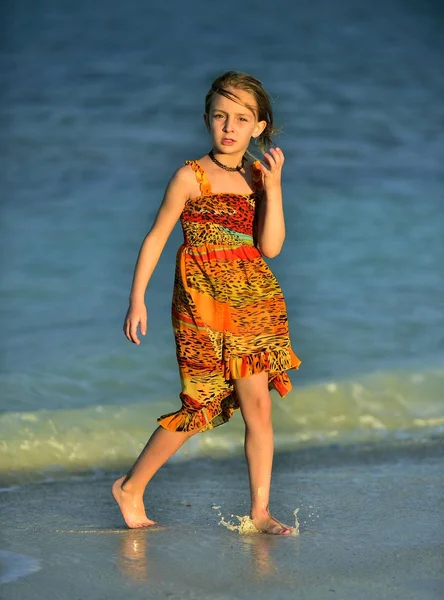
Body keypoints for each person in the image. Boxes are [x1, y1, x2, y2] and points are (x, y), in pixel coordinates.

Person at [112, 71, 301, 535]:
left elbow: (271, 247)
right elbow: (156, 238)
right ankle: (130, 487)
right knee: (201, 400)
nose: (229, 127)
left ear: (259, 127)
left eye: (241, 118)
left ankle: (259, 512)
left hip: (254, 300)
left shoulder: (259, 178)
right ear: (206, 120)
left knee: (258, 409)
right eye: (220, 116)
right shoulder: (190, 176)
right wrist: (137, 299)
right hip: (201, 300)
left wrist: (274, 189)